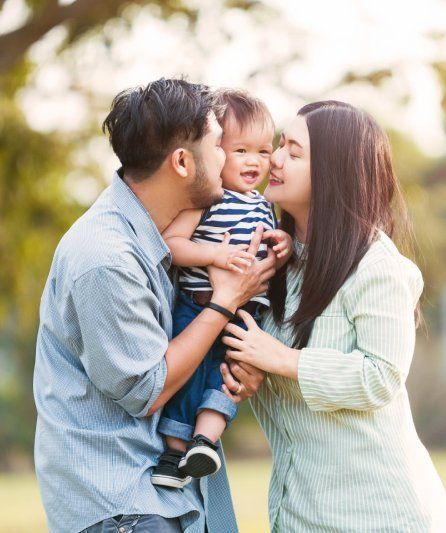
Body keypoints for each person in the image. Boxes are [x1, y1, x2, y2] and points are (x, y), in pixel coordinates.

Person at [33, 79, 275, 533]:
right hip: (125, 509)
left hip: (162, 500)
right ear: (182, 162)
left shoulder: (163, 240)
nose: (228, 158)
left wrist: (238, 364)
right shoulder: (105, 258)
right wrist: (224, 301)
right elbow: (149, 388)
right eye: (218, 145)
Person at [221, 100, 446, 531]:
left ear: (332, 172)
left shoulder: (375, 265)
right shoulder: (278, 263)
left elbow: (380, 376)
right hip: (300, 516)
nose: (274, 157)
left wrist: (279, 359)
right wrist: (252, 372)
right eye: (280, 146)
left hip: (380, 516)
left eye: (294, 151)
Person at [152, 88, 292, 488]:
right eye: (241, 150)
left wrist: (280, 246)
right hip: (198, 307)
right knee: (187, 377)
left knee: (227, 378)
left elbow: (269, 248)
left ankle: (203, 443)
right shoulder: (206, 200)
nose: (255, 162)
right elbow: (173, 247)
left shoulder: (265, 206)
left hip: (247, 313)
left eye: (264, 152)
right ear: (215, 151)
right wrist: (214, 256)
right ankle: (173, 456)